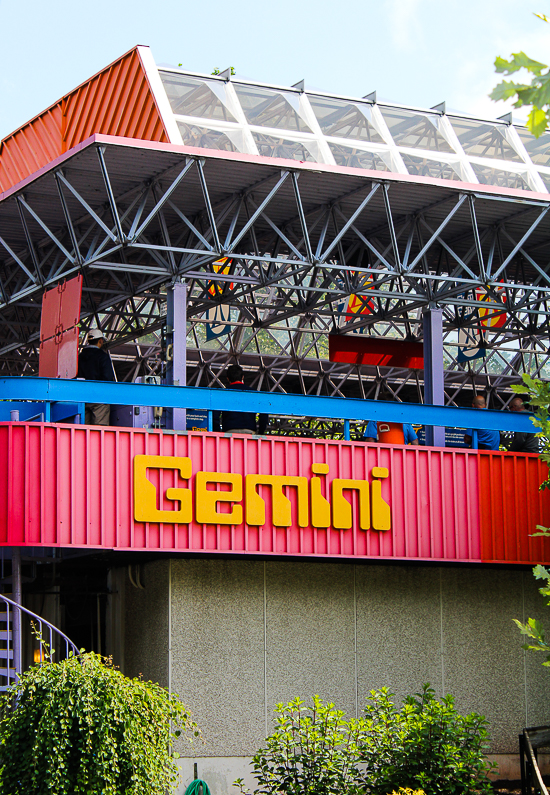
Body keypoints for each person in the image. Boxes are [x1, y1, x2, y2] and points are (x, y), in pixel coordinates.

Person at [214, 364, 269, 435]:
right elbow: (264, 414)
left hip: (229, 432)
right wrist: (260, 432)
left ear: (228, 378)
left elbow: (214, 416)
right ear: (242, 377)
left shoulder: (222, 394)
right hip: (249, 432)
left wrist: (218, 432)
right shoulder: (253, 393)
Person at [77, 328, 115, 426]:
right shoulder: (102, 356)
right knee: (99, 428)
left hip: (83, 396)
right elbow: (108, 377)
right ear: (100, 340)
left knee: (84, 427)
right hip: (99, 397)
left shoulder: (79, 357)